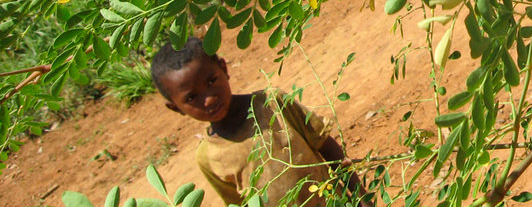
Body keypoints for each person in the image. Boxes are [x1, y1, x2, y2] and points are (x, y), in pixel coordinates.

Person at [151, 36, 370, 207]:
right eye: (191, 98)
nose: (208, 98)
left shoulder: (272, 103)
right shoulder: (208, 158)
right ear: (175, 108)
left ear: (224, 69)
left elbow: (326, 145)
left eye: (211, 81)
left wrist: (360, 196)